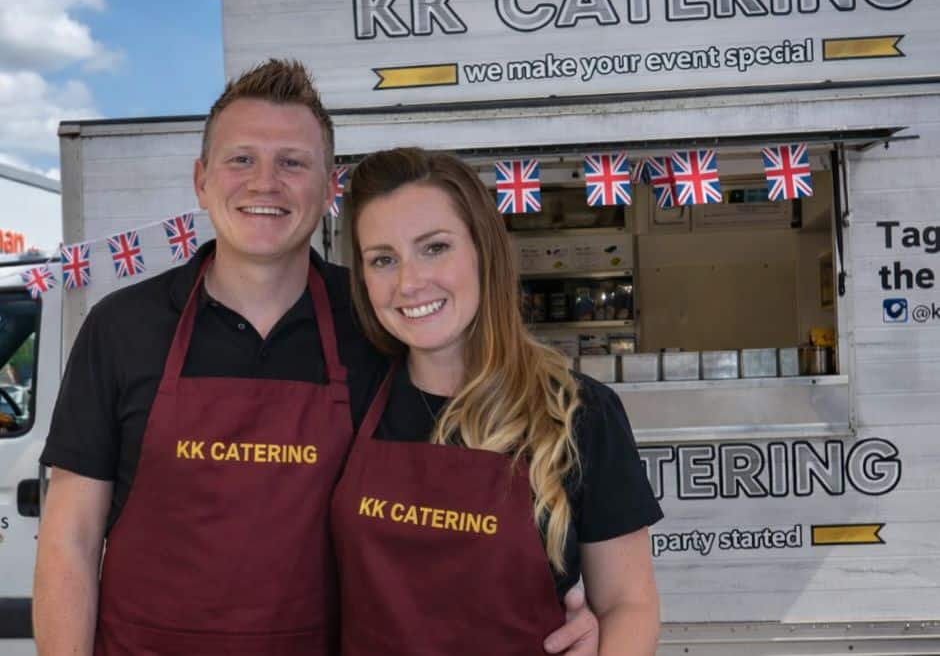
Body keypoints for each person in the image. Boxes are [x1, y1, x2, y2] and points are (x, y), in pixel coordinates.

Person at [32, 60, 600, 656]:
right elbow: (70, 536)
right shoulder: (123, 327)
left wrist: (548, 609)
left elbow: (447, 518)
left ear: (329, 187)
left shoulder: (380, 327)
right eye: (241, 159)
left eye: (292, 163)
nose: (264, 183)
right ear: (201, 179)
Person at [333, 147, 664, 655]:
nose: (409, 282)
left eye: (434, 247)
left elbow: (627, 602)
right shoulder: (345, 405)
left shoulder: (580, 413)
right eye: (383, 259)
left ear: (483, 250)